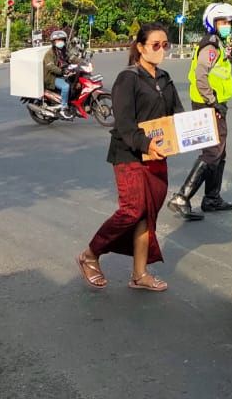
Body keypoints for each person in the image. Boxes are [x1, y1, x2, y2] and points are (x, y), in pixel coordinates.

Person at [78, 22, 182, 292]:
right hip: (130, 154)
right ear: (140, 47)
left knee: (147, 215)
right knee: (132, 209)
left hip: (158, 155)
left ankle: (139, 274)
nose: (161, 50)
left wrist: (201, 125)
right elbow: (124, 125)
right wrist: (146, 145)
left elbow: (177, 115)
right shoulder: (128, 78)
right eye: (155, 45)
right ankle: (90, 254)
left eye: (165, 45)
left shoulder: (165, 78)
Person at [169, 2, 232, 220]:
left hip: (213, 103)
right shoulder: (210, 46)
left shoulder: (217, 44)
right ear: (212, 23)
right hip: (208, 104)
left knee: (220, 152)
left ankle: (212, 198)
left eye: (229, 22)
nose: (227, 26)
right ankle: (182, 196)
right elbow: (201, 76)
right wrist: (212, 101)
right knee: (212, 152)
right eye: (223, 22)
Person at [43, 29, 76, 120]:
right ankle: (63, 108)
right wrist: (62, 71)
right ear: (53, 42)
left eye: (61, 40)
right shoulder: (49, 53)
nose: (59, 42)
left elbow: (72, 58)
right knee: (66, 87)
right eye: (57, 40)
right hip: (52, 77)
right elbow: (51, 67)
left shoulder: (63, 51)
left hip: (61, 75)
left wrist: (83, 62)